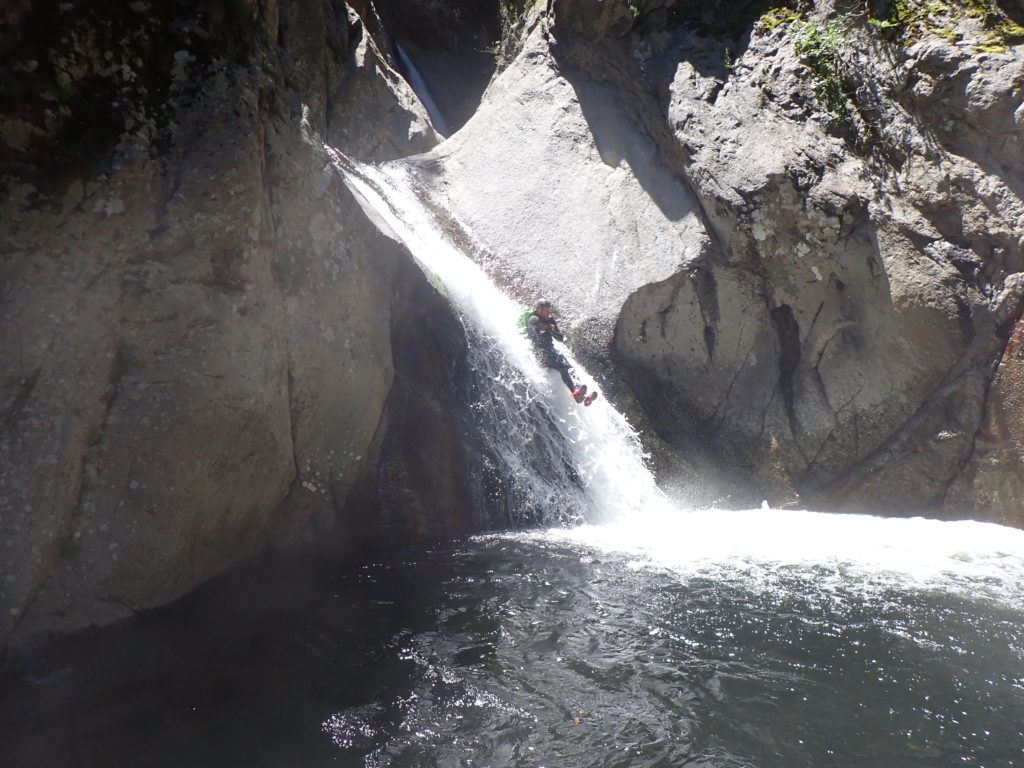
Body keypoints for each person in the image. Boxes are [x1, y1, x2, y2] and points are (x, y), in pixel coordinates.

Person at [526, 298, 590, 403]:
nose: (548, 313)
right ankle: (575, 392)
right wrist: (546, 328)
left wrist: (552, 329)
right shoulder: (533, 318)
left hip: (551, 351)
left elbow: (560, 338)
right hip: (539, 352)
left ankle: (580, 391)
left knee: (569, 367)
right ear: (538, 309)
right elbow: (537, 335)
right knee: (562, 366)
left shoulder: (550, 320)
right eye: (546, 310)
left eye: (548, 310)